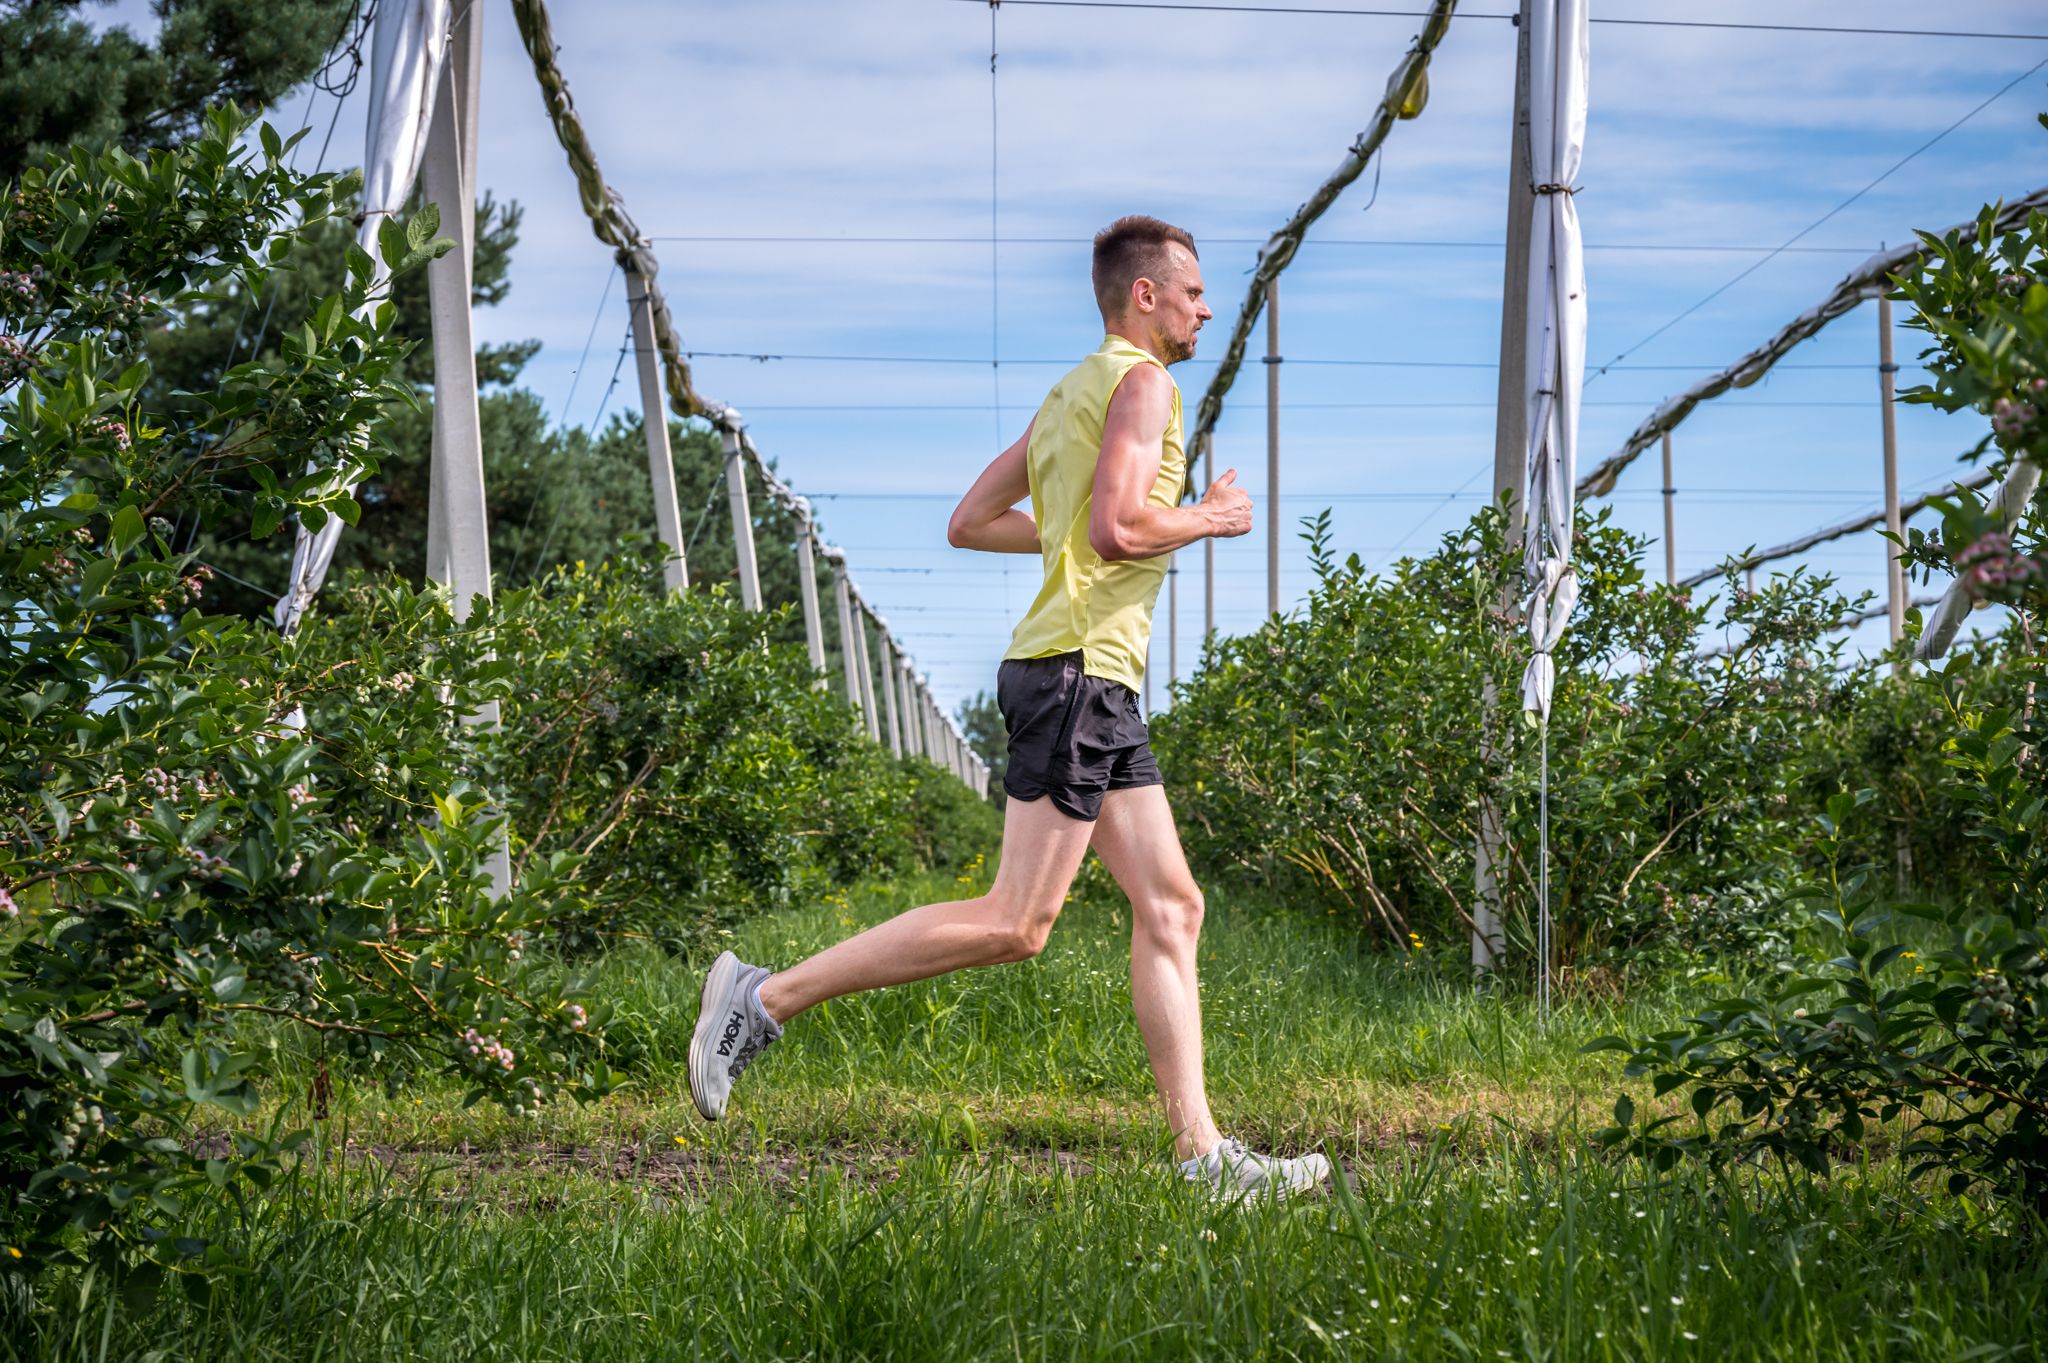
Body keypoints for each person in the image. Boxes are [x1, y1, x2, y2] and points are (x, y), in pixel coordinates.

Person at [688, 215, 1332, 1199]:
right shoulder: (1143, 383)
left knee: (1171, 903)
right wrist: (1206, 516)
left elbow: (970, 522)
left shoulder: (1070, 392)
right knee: (1016, 922)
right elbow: (1118, 529)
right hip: (1076, 673)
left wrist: (1077, 536)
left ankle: (1203, 1157)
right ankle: (764, 997)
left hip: (1087, 676)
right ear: (1143, 295)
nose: (1206, 306)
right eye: (1192, 290)